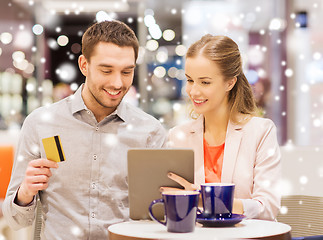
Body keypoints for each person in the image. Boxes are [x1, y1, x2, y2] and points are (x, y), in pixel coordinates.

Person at [2, 20, 166, 239]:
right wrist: (25, 193)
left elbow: (159, 219)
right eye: (106, 70)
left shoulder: (150, 132)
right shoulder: (41, 124)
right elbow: (16, 220)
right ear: (83, 65)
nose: (117, 83)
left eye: (127, 72)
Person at [167, 34, 281, 221]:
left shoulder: (261, 131)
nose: (193, 91)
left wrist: (204, 200)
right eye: (189, 80)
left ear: (230, 82)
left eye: (205, 82)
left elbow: (267, 208)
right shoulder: (178, 136)